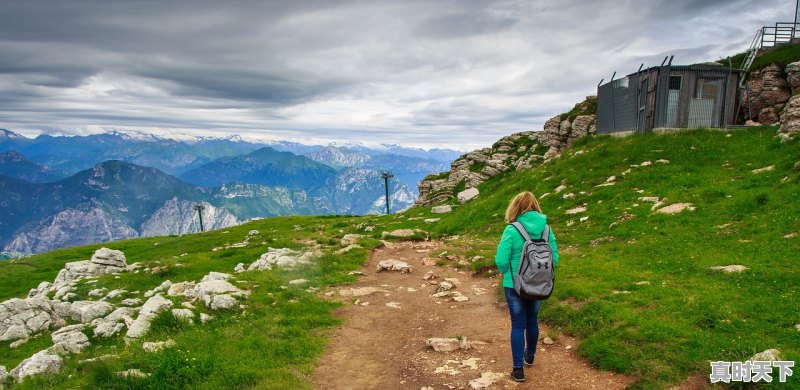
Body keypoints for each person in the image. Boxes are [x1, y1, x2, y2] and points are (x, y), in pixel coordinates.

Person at [494, 191, 559, 383]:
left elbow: (501, 261)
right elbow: (554, 258)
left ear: (515, 207)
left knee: (518, 324)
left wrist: (508, 272)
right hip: (538, 285)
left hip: (514, 285)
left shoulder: (512, 229)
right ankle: (529, 355)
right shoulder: (546, 229)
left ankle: (518, 370)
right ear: (535, 205)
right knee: (532, 320)